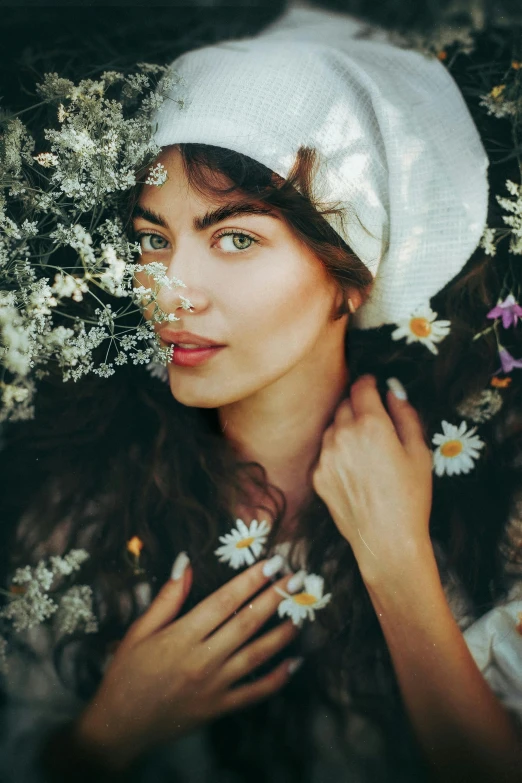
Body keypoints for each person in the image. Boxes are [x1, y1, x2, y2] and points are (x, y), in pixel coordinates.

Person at [0, 2, 521, 782]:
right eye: (153, 239)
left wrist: (396, 558)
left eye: (235, 238)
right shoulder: (83, 513)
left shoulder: (488, 515)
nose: (170, 292)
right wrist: (105, 737)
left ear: (353, 277)